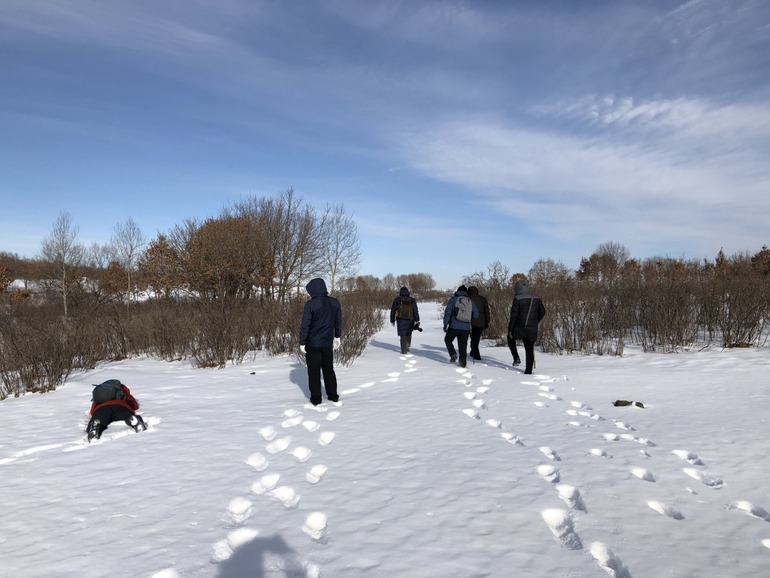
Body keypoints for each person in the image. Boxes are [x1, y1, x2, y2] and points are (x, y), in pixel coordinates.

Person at [299, 278, 342, 406]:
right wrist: (337, 336)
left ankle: (316, 399)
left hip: (312, 344)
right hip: (327, 343)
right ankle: (333, 396)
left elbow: (305, 325)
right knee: (329, 369)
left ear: (312, 290)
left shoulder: (311, 304)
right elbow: (338, 321)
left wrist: (302, 342)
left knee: (314, 371)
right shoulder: (335, 302)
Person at [507, 279, 546, 375]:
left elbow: (514, 316)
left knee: (510, 339)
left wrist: (510, 330)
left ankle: (516, 358)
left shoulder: (517, 298)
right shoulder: (536, 298)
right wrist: (535, 321)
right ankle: (528, 371)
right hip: (532, 329)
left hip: (520, 328)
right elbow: (543, 312)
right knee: (529, 349)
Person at [443, 285, 478, 368]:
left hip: (453, 326)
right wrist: (469, 318)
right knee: (463, 346)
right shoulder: (470, 301)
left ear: (458, 291)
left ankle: (453, 354)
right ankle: (463, 363)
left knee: (448, 339)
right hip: (465, 328)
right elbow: (476, 315)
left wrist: (445, 324)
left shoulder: (453, 299)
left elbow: (448, 312)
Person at [390, 286, 421, 354]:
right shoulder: (412, 300)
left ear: (400, 292)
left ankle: (404, 351)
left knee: (402, 334)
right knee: (409, 332)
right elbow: (415, 310)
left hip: (400, 319)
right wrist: (417, 319)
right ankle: (407, 345)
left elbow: (393, 310)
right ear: (408, 292)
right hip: (410, 319)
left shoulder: (397, 300)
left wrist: (392, 320)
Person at [467, 286, 491, 361]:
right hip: (481, 322)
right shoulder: (483, 299)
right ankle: (473, 352)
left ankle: (476, 356)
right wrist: (487, 322)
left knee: (474, 338)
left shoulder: (467, 299)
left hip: (471, 322)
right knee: (476, 338)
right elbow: (487, 312)